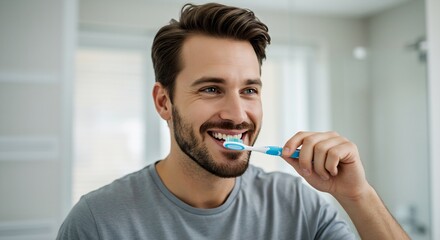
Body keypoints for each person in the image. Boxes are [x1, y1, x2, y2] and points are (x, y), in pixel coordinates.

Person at [57, 3, 409, 239]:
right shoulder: (97, 221)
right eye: (211, 88)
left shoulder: (299, 207)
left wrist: (359, 196)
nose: (238, 115)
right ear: (164, 102)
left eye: (250, 90)